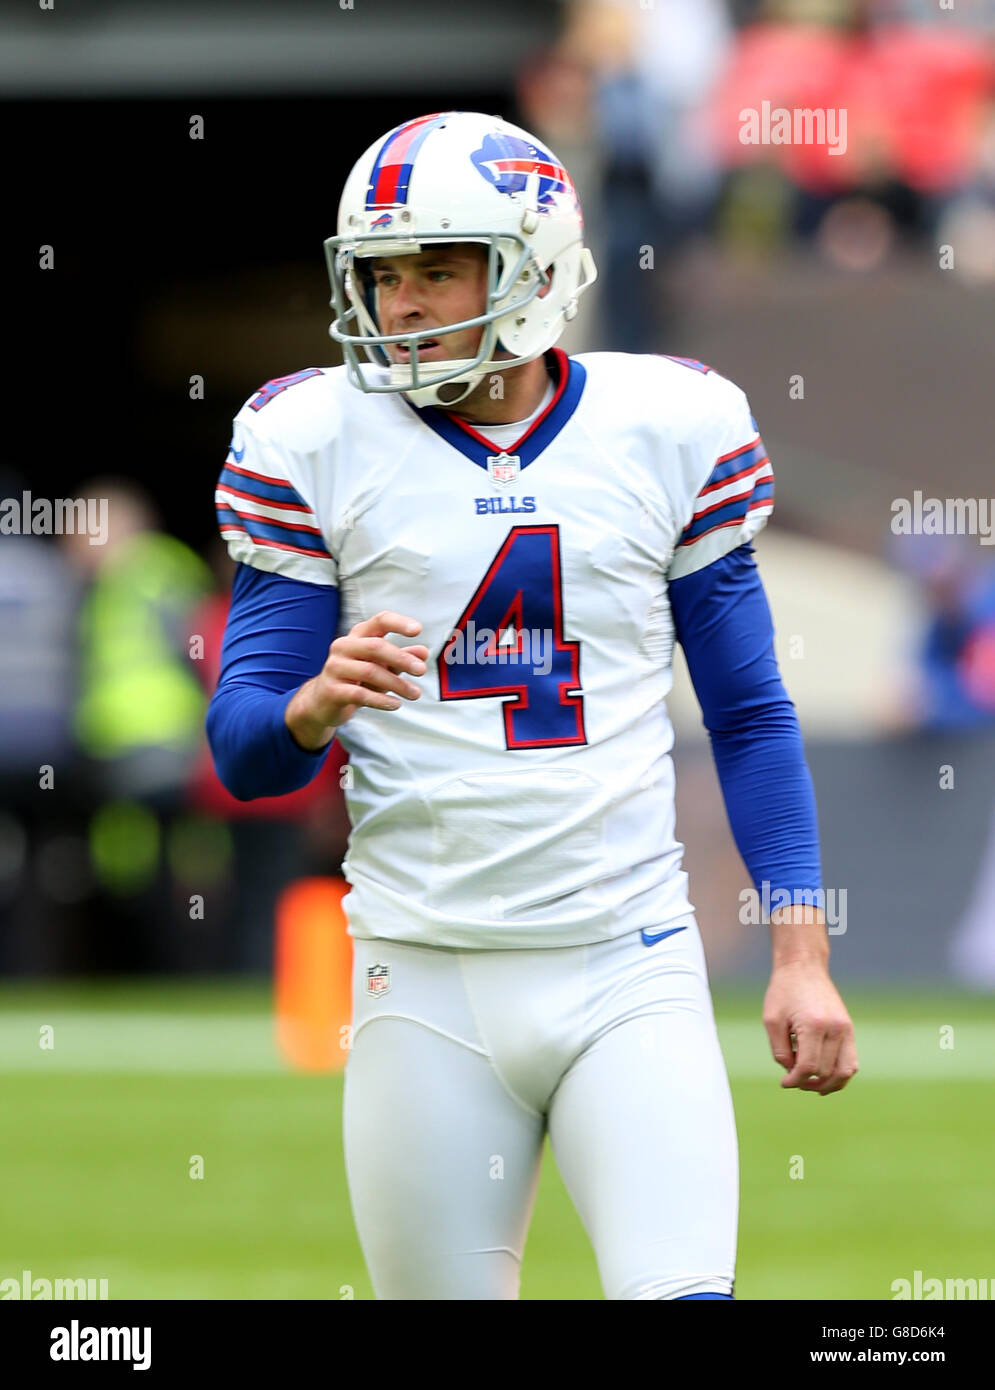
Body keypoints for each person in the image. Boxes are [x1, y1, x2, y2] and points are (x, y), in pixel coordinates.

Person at [207, 111, 858, 1301]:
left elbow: (750, 713)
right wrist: (309, 706)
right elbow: (245, 750)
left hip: (628, 960)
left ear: (536, 265)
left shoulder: (666, 425)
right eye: (382, 274)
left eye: (437, 267)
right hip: (422, 971)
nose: (401, 305)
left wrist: (800, 954)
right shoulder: (309, 438)